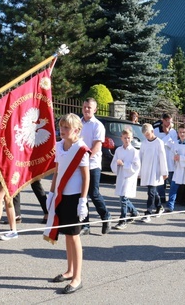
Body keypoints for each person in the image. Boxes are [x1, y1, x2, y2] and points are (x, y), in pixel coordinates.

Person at [45, 113, 89, 295]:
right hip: (61, 196)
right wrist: (51, 193)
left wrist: (83, 201)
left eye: (66, 128)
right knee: (67, 236)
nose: (62, 131)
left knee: (74, 236)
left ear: (77, 130)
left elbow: (86, 177)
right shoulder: (58, 146)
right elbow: (57, 171)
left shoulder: (81, 149)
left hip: (75, 197)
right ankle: (70, 270)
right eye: (61, 127)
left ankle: (77, 277)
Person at [79, 98, 110, 235]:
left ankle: (105, 217)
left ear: (95, 110)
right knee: (82, 194)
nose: (86, 110)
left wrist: (87, 157)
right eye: (85, 107)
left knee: (94, 193)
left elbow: (97, 146)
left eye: (89, 108)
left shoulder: (98, 125)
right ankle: (85, 224)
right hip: (79, 165)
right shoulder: (78, 123)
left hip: (92, 165)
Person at [111, 128, 141, 230]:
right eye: (125, 138)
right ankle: (134, 212)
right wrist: (117, 164)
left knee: (123, 197)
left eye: (129, 138)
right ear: (121, 138)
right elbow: (114, 162)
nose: (127, 140)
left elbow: (136, 165)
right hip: (121, 175)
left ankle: (122, 220)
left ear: (132, 138)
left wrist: (125, 164)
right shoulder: (118, 150)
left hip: (129, 176)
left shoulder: (134, 151)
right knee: (122, 198)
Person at [139, 123, 168, 221]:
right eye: (145, 135)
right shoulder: (144, 143)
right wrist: (139, 172)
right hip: (146, 170)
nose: (146, 136)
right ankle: (159, 207)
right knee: (153, 191)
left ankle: (148, 213)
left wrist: (164, 172)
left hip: (156, 170)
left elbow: (162, 158)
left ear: (152, 131)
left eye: (148, 134)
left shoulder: (159, 142)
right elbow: (140, 158)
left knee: (151, 192)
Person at [153, 113, 177, 205]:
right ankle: (161, 197)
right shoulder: (156, 131)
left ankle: (172, 199)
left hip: (170, 160)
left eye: (170, 121)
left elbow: (174, 146)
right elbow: (158, 144)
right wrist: (167, 139)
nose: (169, 123)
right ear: (163, 120)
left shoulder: (173, 132)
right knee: (160, 181)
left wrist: (167, 134)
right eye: (167, 121)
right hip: (160, 159)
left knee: (172, 181)